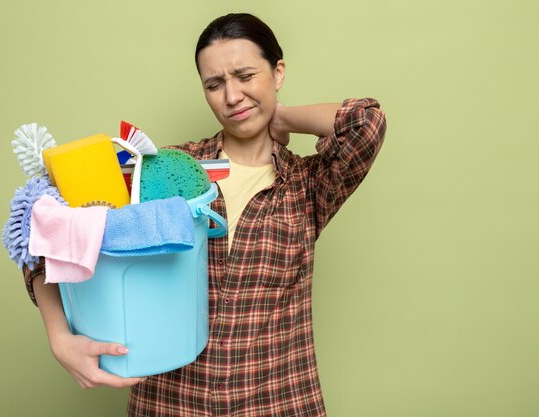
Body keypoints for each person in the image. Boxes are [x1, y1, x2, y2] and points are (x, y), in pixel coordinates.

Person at [22, 12, 386, 416]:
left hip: (279, 401)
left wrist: (281, 116)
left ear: (277, 72)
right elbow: (46, 237)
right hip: (171, 403)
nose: (231, 97)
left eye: (246, 76)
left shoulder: (308, 185)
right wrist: (60, 339)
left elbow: (365, 121)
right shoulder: (164, 171)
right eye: (215, 84)